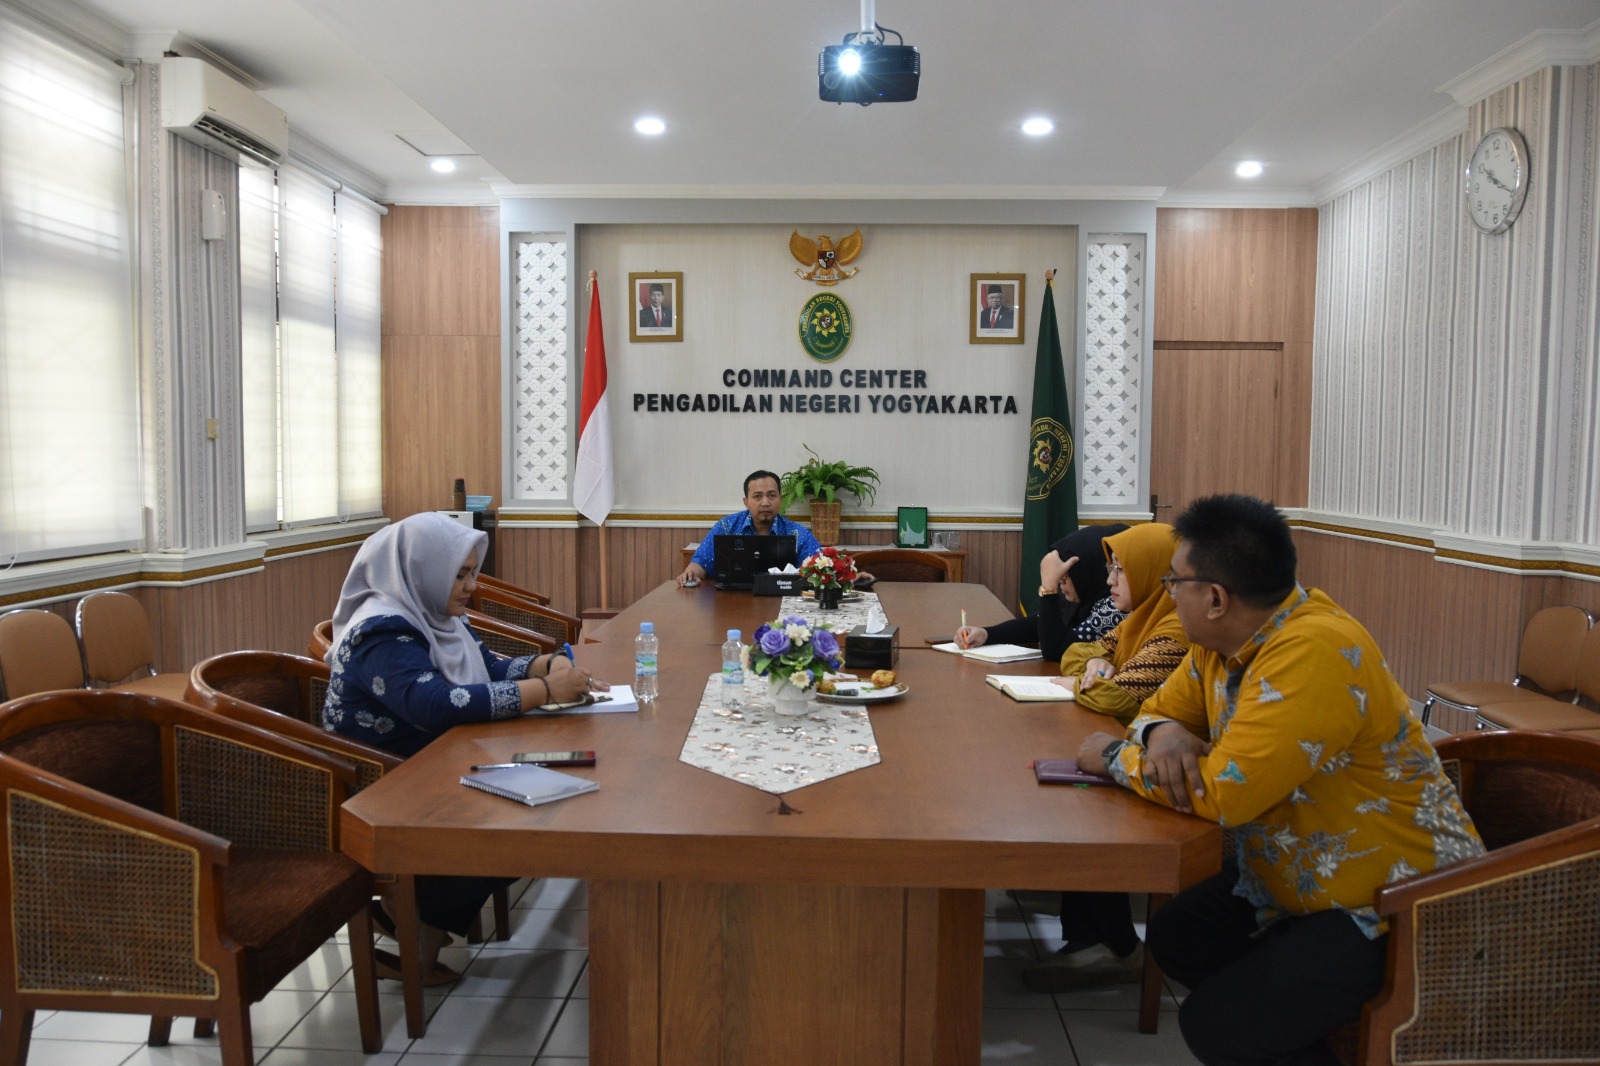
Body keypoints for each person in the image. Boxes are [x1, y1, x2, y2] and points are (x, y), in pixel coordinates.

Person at [1073, 495, 1483, 1065]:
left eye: (1174, 582)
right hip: (1292, 872)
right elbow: (1153, 711)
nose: (1168, 593)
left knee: (1215, 1025)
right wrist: (1160, 733)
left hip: (1390, 903)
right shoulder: (1218, 645)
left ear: (1214, 598)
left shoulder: (1313, 650)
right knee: (1178, 937)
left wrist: (1113, 757)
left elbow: (1224, 793)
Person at [322, 512, 605, 983]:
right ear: (421, 569)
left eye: (473, 572)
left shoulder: (434, 614)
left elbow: (487, 667)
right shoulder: (383, 630)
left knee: (551, 801)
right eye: (459, 574)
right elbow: (436, 702)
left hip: (438, 761)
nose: (471, 585)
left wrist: (544, 664)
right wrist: (547, 692)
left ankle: (416, 917)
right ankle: (418, 921)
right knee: (523, 826)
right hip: (387, 784)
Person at [1020, 521, 1190, 992]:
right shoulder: (1139, 617)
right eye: (1110, 569)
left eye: (1121, 570)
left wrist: (1086, 679)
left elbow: (1117, 700)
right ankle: (1095, 940)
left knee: (1080, 799)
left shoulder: (1175, 627)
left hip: (1174, 771)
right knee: (1073, 788)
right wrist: (1093, 666)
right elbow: (1076, 653)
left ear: (1155, 573)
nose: (1110, 580)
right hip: (1141, 750)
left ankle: (1112, 945)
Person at [955, 522, 1129, 658]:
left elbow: (1057, 651)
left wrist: (1049, 586)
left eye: (1065, 576)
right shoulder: (1084, 594)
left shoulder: (1117, 605)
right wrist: (986, 634)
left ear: (1087, 573)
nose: (1061, 584)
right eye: (1058, 576)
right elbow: (1037, 624)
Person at [677, 469, 822, 587]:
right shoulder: (727, 526)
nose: (765, 503)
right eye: (757, 496)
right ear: (746, 502)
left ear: (780, 499)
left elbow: (819, 568)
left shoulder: (797, 533)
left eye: (772, 495)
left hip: (781, 603)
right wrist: (691, 573)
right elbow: (702, 561)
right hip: (730, 604)